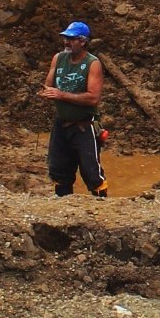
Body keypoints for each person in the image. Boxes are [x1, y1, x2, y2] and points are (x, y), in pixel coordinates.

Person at [38, 19, 106, 197]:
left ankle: (103, 208)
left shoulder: (93, 64)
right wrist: (46, 93)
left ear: (83, 41)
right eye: (65, 38)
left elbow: (93, 98)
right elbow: (48, 85)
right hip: (62, 125)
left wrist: (62, 95)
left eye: (71, 39)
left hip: (83, 126)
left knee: (92, 172)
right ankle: (64, 207)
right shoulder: (59, 59)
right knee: (59, 170)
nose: (66, 42)